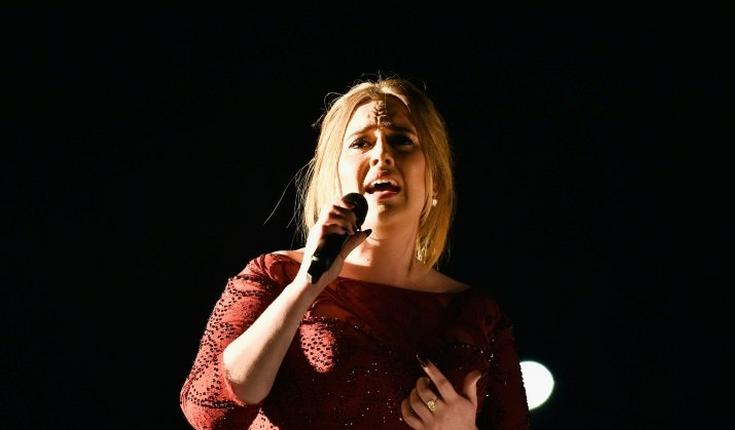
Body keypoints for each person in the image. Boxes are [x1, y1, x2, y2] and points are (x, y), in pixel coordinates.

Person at [179, 76, 531, 429]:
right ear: (336, 174)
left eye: (402, 141)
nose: (382, 155)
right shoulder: (274, 275)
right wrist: (307, 285)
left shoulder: (478, 315)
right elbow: (208, 411)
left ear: (435, 181)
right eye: (361, 143)